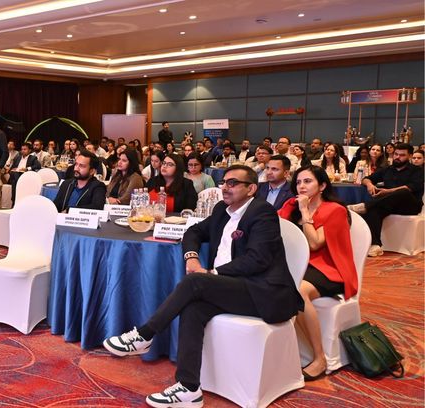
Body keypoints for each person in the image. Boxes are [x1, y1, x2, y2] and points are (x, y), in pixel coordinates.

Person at [103, 165, 302, 408]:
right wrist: (192, 258)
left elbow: (257, 259)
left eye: (232, 183)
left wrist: (212, 273)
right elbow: (194, 232)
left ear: (251, 189)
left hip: (265, 293)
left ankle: (145, 335)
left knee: (196, 282)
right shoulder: (221, 210)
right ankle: (189, 388)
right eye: (224, 182)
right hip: (232, 288)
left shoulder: (262, 213)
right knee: (193, 308)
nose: (225, 188)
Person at [278, 165, 358, 380]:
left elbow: (314, 243)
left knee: (297, 291)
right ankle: (282, 349)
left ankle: (319, 358)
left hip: (330, 270)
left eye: (308, 181)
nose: (301, 186)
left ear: (322, 186)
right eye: (298, 182)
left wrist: (305, 212)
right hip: (299, 265)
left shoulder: (335, 210)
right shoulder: (291, 206)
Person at [348, 143, 424, 257]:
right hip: (390, 204)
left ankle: (365, 206)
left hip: (410, 206)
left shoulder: (417, 171)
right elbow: (366, 179)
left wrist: (388, 191)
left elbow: (410, 187)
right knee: (373, 210)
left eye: (402, 155)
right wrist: (369, 185)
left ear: (409, 156)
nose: (397, 157)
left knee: (403, 192)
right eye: (396, 154)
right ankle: (375, 245)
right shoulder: (388, 169)